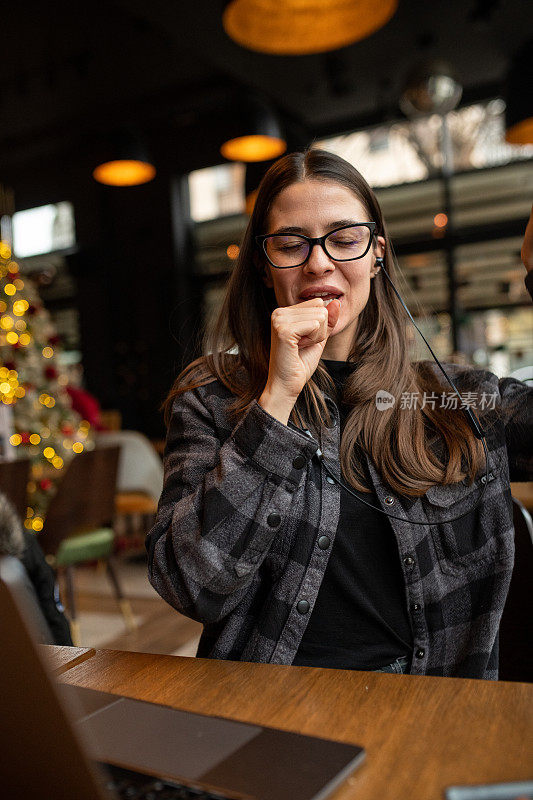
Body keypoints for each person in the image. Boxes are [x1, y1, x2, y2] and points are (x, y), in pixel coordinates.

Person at [146, 150, 533, 679]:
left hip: (438, 713)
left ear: (377, 255)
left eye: (344, 238)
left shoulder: (456, 399)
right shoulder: (212, 399)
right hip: (272, 707)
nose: (319, 263)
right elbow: (192, 586)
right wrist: (277, 398)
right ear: (263, 265)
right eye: (290, 243)